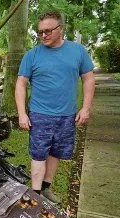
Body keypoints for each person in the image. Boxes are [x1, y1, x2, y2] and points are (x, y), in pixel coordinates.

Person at [15, 11, 95, 203]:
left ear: (61, 29)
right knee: (38, 154)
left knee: (56, 152)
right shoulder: (31, 55)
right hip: (40, 115)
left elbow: (88, 78)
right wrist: (22, 114)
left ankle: (46, 187)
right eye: (40, 32)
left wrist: (85, 108)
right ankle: (35, 195)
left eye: (48, 31)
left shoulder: (78, 52)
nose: (43, 35)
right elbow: (21, 84)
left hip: (67, 116)